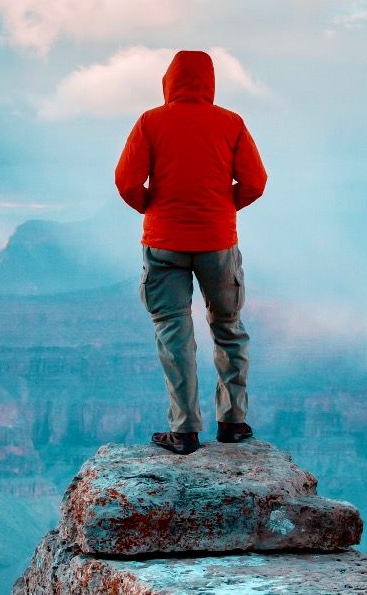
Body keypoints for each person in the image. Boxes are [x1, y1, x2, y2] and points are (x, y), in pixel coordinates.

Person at [114, 49, 267, 455]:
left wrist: (155, 208)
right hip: (218, 243)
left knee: (173, 333)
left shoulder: (151, 122)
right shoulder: (230, 123)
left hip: (164, 244)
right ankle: (233, 423)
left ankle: (184, 432)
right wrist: (221, 207)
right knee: (228, 327)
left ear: (169, 81)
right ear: (210, 83)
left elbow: (127, 181)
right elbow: (254, 181)